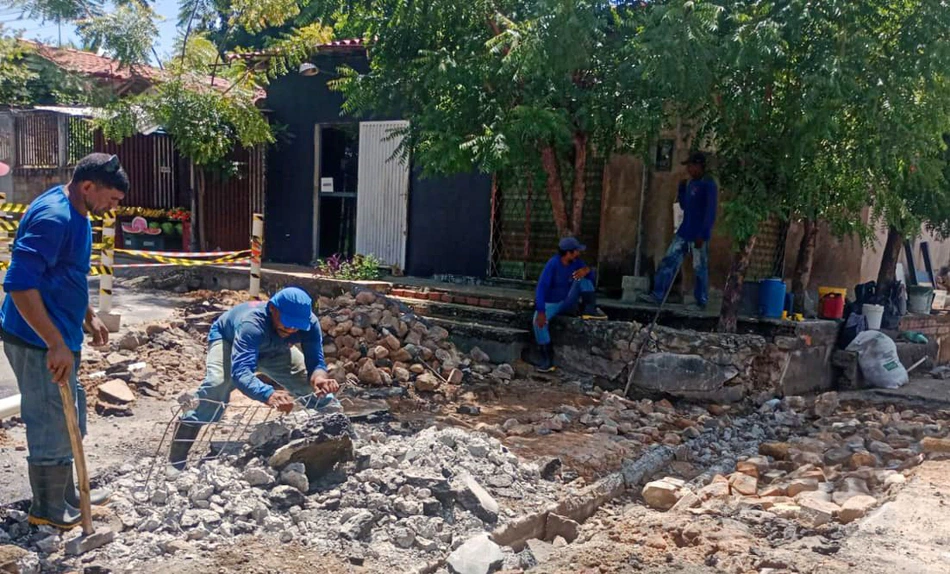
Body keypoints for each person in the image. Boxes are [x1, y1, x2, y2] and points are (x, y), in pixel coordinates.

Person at [0, 153, 128, 529]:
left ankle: (68, 492)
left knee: (71, 412)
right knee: (50, 418)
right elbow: (20, 284)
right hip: (36, 339)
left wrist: (87, 316)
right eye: (112, 199)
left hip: (60, 334)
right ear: (89, 186)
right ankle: (48, 508)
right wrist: (54, 341)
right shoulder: (54, 217)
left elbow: (66, 272)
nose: (112, 208)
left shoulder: (78, 210)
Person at [168, 287, 341, 471]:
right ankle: (177, 458)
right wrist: (267, 394)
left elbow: (316, 361)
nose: (291, 329)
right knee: (217, 385)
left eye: (296, 325)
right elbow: (241, 372)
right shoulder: (252, 323)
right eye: (287, 322)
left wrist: (320, 378)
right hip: (229, 340)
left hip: (275, 349)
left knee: (310, 388)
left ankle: (338, 439)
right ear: (272, 309)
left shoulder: (308, 323)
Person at [642, 151, 718, 310]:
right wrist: (682, 191)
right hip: (684, 232)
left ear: (699, 166)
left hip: (698, 235)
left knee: (699, 267)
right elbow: (684, 207)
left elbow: (710, 213)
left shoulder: (708, 185)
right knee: (669, 261)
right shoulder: (690, 184)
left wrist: (703, 235)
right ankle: (658, 295)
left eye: (691, 165)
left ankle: (701, 301)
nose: (688, 169)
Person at [533, 237, 605, 373]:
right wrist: (541, 311)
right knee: (538, 323)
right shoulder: (552, 264)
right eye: (576, 251)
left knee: (582, 279)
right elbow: (541, 288)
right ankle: (547, 359)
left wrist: (587, 271)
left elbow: (592, 278)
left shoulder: (577, 263)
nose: (578, 254)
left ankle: (590, 309)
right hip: (552, 302)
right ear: (568, 253)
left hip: (568, 300)